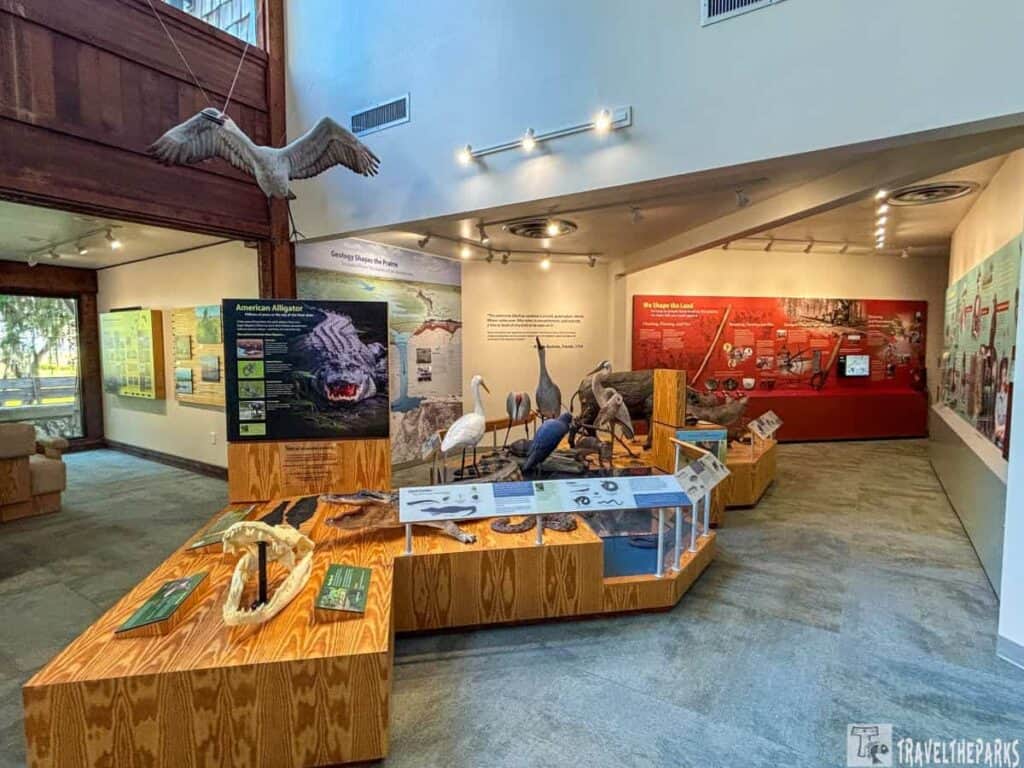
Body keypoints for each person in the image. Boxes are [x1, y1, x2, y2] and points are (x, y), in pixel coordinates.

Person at [994, 357, 1010, 448]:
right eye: (1002, 374)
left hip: (1003, 425)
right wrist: (997, 426)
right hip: (1000, 424)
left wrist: (1002, 428)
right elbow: (996, 411)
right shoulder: (1000, 393)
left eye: (1005, 374)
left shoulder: (1009, 392)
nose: (1004, 377)